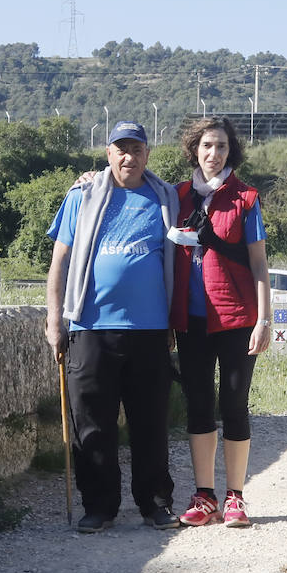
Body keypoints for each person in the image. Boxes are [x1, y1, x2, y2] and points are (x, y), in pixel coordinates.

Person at [45, 120, 182, 534]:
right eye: (120, 149)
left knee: (151, 424)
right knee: (92, 424)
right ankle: (99, 506)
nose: (129, 157)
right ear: (108, 154)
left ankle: (155, 503)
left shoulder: (166, 198)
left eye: (136, 149)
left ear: (147, 154)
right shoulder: (82, 196)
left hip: (151, 329)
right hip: (89, 326)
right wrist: (55, 319)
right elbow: (60, 263)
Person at [169, 117, 272, 528]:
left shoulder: (245, 198)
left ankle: (236, 496)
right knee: (197, 404)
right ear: (194, 148)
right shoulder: (176, 195)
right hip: (190, 319)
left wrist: (264, 319)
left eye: (222, 147)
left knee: (234, 405)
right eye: (207, 146)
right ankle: (204, 495)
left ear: (232, 152)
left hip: (236, 318)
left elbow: (260, 264)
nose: (214, 154)